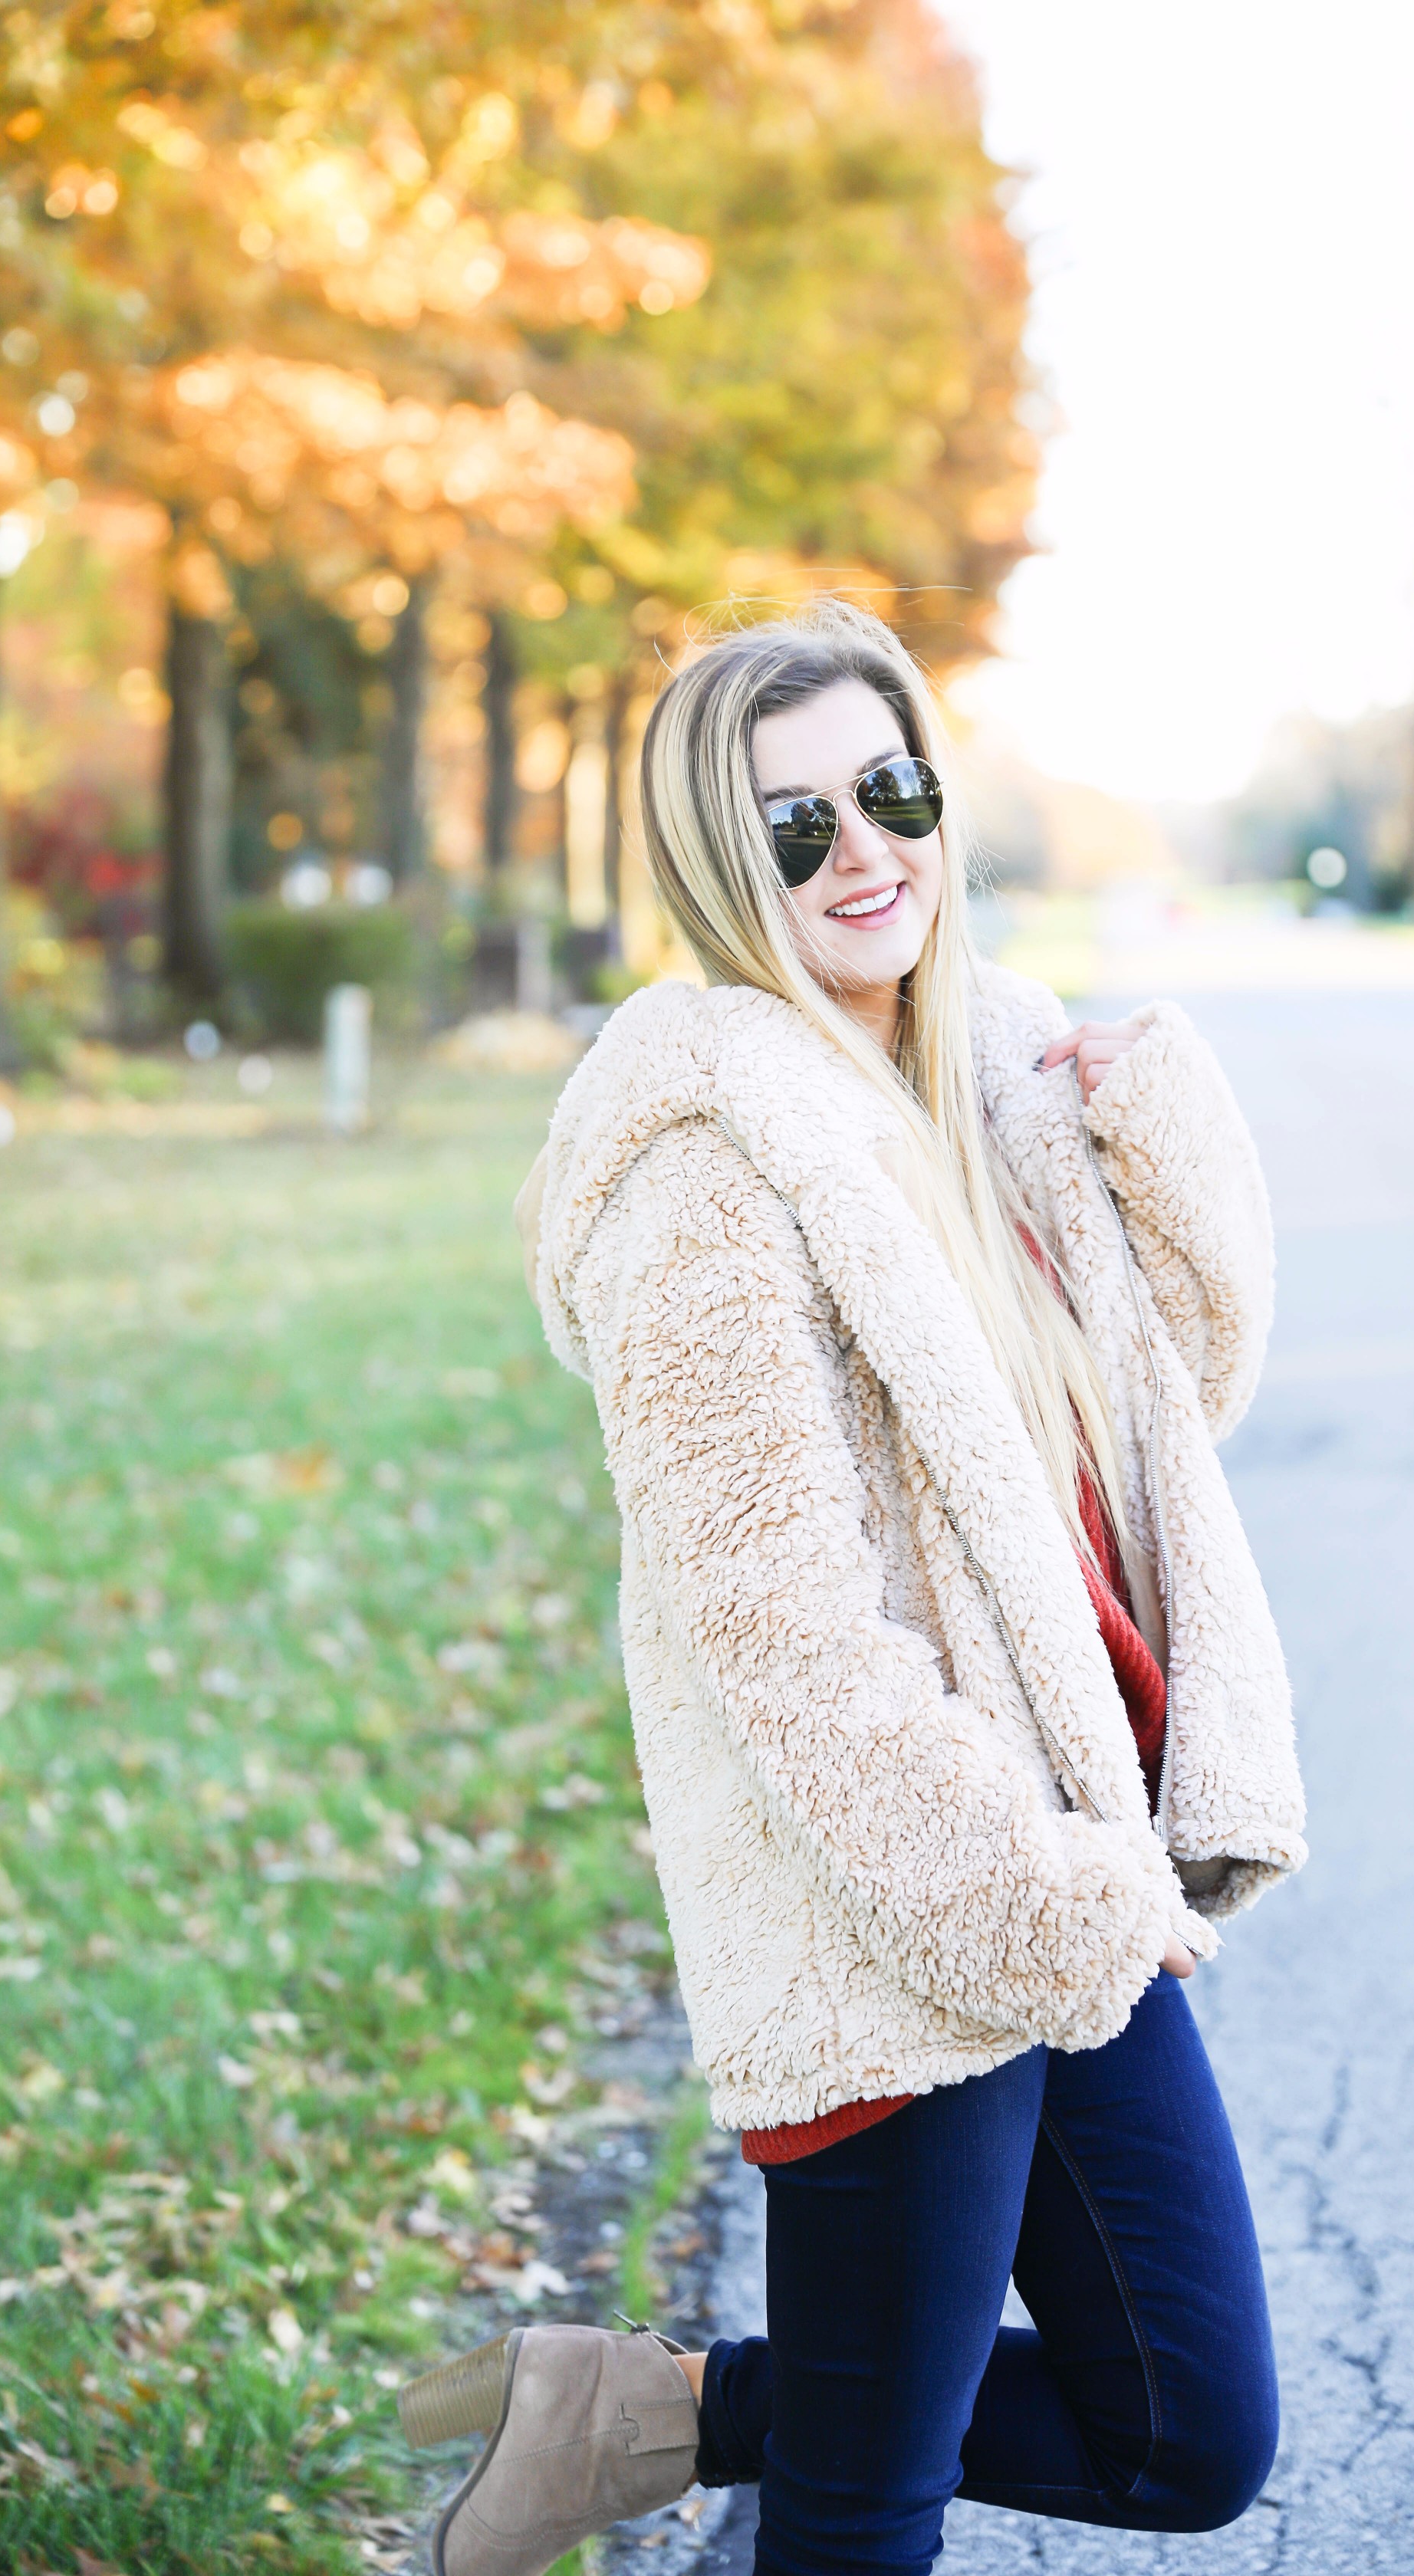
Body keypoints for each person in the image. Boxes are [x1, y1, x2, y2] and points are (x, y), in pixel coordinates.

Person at [398, 602, 1307, 2576]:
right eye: (791, 825)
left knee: (1185, 2438)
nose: (860, 852)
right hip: (894, 1909)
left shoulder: (983, 1078)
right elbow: (787, 1637)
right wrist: (1022, 1896)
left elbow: (1170, 1426)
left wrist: (1155, 1135)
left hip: (1072, 1851)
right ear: (722, 868)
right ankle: (674, 2421)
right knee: (862, 2508)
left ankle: (646, 2410)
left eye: (887, 792)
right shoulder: (705, 1180)